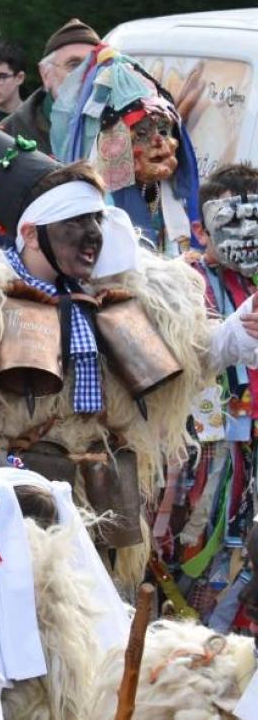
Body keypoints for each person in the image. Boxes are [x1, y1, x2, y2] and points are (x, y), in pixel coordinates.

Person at [0, 75, 258, 591]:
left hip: (106, 503)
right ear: (32, 232)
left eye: (96, 222)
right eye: (75, 223)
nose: (94, 237)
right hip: (18, 509)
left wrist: (234, 335)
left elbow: (176, 367)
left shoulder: (119, 294)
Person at [168, 164, 258, 624]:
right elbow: (184, 358)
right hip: (203, 455)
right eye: (233, 220)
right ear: (200, 228)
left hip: (250, 453)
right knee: (196, 564)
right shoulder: (179, 281)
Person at [52, 45, 200, 255]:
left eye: (164, 130)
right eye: (141, 134)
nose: (158, 140)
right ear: (113, 149)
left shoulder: (176, 198)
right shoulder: (95, 212)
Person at [0, 17, 100, 154]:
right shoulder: (6, 135)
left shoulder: (122, 128)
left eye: (94, 65)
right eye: (74, 64)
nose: (86, 74)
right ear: (46, 75)